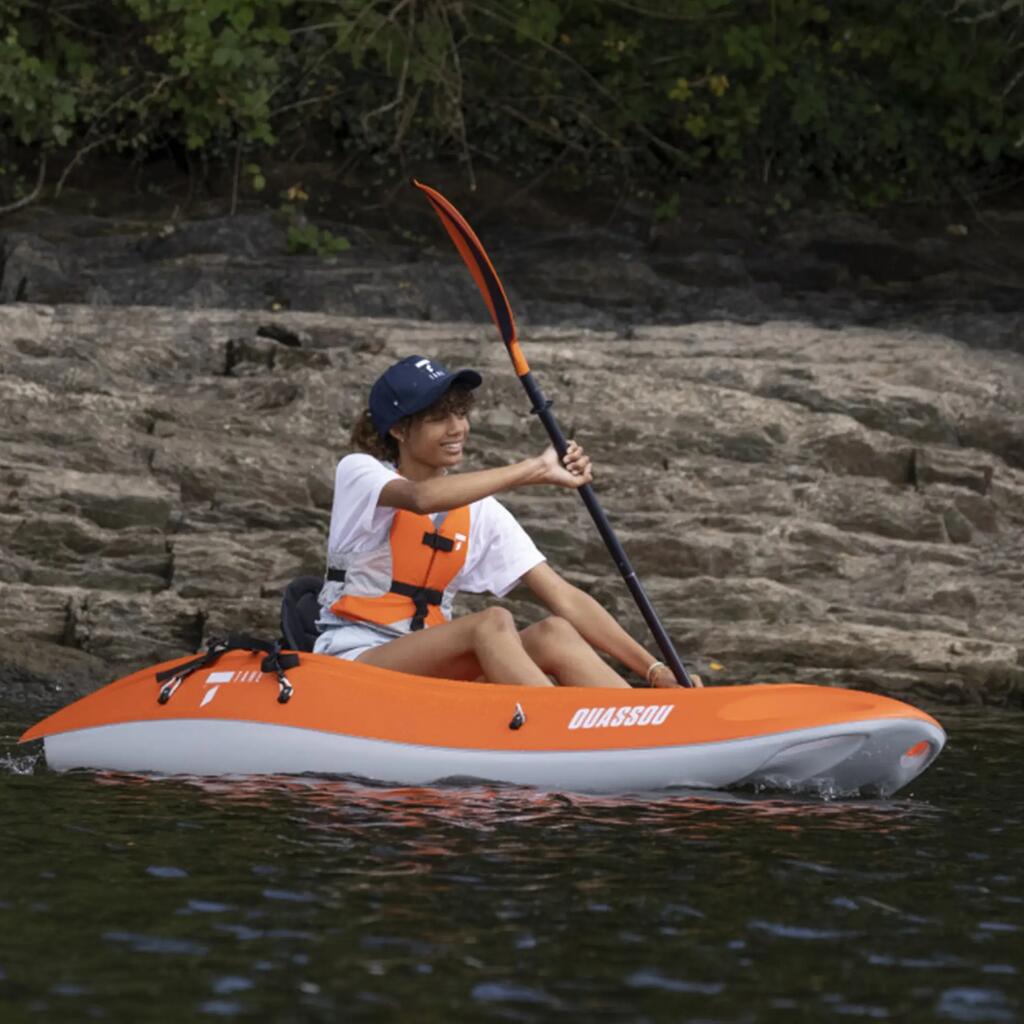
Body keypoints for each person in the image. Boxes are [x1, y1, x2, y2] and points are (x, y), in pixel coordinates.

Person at [314, 355, 700, 689]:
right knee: (491, 622)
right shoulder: (360, 473)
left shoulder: (480, 511)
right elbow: (419, 498)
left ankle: (639, 719)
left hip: (429, 674)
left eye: (461, 413)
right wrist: (536, 468)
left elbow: (564, 597)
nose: (457, 429)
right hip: (356, 662)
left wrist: (654, 669)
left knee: (555, 633)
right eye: (438, 418)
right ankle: (559, 730)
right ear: (398, 430)